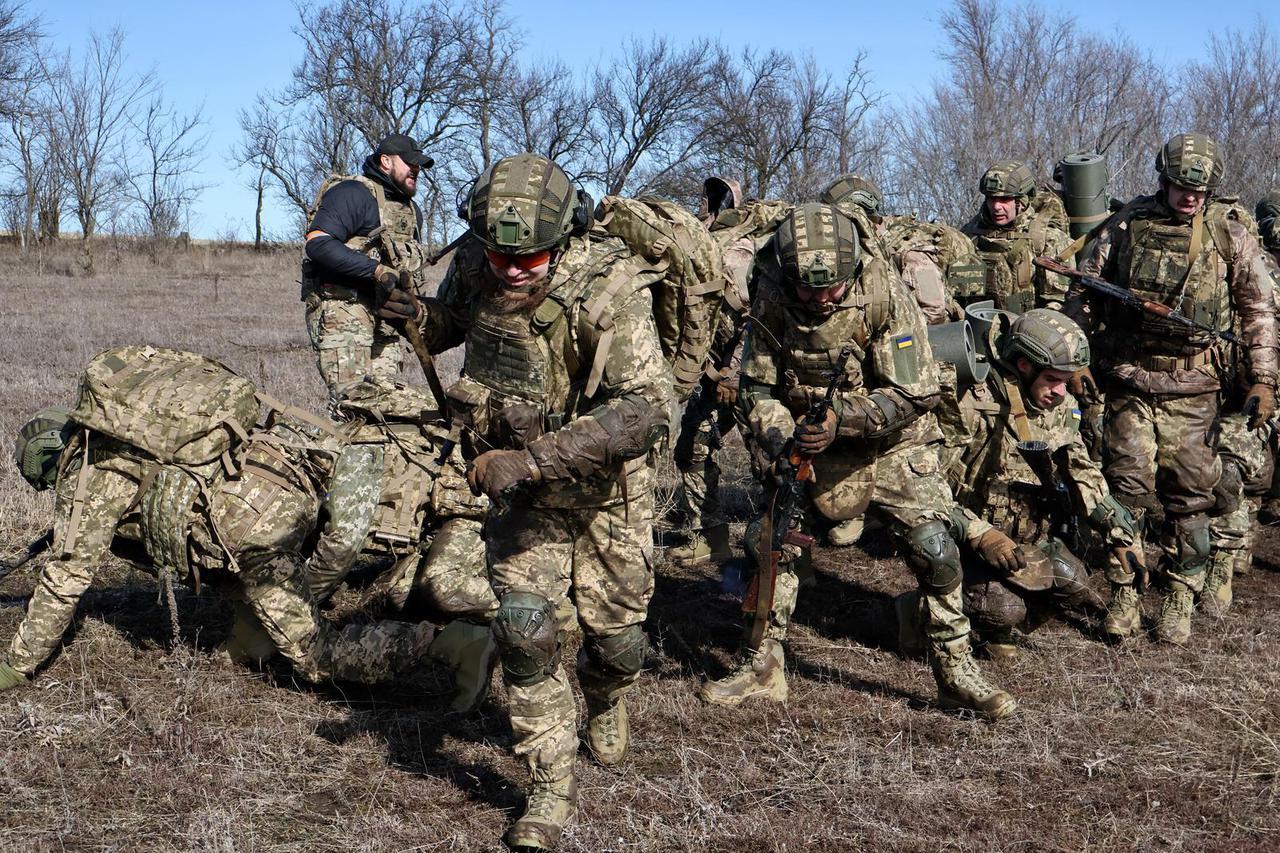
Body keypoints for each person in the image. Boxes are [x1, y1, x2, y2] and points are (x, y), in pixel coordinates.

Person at [385, 153, 675, 851]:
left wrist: (536, 457)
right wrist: (415, 314)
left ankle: (605, 697)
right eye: (499, 255)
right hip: (523, 496)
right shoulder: (482, 264)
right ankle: (549, 783)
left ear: (566, 236)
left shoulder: (608, 286)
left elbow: (646, 410)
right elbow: (452, 323)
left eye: (529, 257)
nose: (512, 270)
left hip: (607, 492)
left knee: (617, 640)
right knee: (524, 626)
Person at [698, 202, 1017, 721]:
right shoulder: (773, 292)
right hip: (805, 439)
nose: (820, 300)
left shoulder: (883, 293)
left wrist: (842, 419)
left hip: (892, 442)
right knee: (770, 542)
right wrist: (787, 436)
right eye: (808, 289)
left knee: (935, 548)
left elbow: (914, 391)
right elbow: (757, 387)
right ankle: (762, 664)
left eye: (831, 289)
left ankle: (955, 672)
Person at [1, 404, 437, 693]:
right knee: (244, 595)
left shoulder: (89, 481)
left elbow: (65, 580)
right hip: (286, 480)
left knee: (316, 655)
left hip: (257, 530)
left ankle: (445, 647)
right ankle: (248, 639)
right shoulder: (132, 434)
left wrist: (17, 664)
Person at [1066, 133, 1278, 644]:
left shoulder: (1230, 236)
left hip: (1195, 384)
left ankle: (1182, 589)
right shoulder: (1125, 225)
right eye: (1182, 187)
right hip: (1131, 378)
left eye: (1199, 191)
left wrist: (1265, 379)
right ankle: (1125, 588)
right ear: (1163, 180)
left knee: (1190, 494)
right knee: (1127, 490)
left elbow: (1258, 311)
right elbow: (1084, 292)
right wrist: (1075, 358)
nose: (1190, 198)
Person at [934, 309, 1142, 652]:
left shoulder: (1058, 405)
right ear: (1024, 366)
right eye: (1052, 380)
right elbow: (932, 489)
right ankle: (916, 615)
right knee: (1004, 610)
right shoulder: (972, 403)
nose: (1061, 392)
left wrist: (1118, 531)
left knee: (1076, 583)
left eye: (1067, 380)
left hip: (1025, 537)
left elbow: (1080, 467)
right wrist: (978, 534)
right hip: (968, 539)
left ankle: (994, 624)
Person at [300, 133, 433, 408]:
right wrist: (376, 271)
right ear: (385, 161)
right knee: (355, 404)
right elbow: (318, 244)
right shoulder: (353, 193)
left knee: (390, 408)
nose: (416, 169)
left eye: (419, 165)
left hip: (386, 321)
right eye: (410, 163)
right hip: (344, 310)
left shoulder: (411, 211)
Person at [962, 160, 1073, 313]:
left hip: (1029, 327)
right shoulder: (969, 236)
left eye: (1004, 199)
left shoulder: (1047, 238)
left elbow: (1058, 302)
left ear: (1021, 201)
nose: (996, 207)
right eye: (991, 198)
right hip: (975, 325)